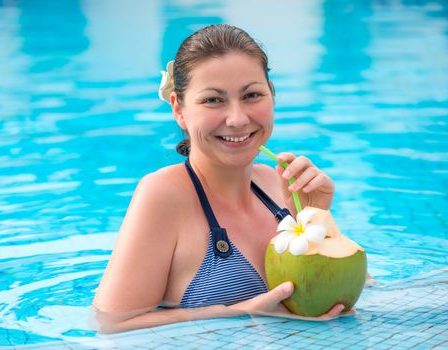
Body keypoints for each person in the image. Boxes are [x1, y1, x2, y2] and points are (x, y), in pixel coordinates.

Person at [92, 24, 351, 334]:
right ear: (179, 109)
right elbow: (110, 324)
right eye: (213, 100)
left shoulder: (276, 185)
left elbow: (345, 300)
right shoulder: (163, 195)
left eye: (252, 95)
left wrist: (319, 219)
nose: (238, 119)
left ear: (272, 94)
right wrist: (236, 313)